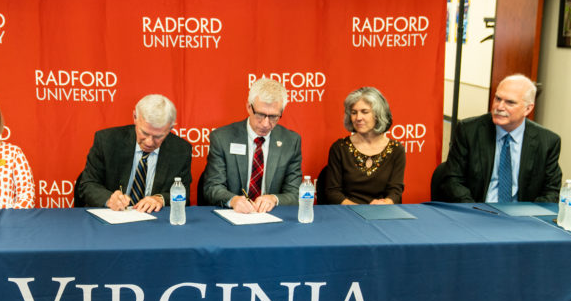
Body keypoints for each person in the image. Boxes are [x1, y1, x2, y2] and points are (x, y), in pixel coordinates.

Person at [441, 74, 562, 203]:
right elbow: (452, 180)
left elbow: (551, 191)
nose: (499, 107)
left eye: (510, 102)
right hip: (477, 211)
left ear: (528, 108)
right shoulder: (469, 131)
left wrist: (528, 217)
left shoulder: (547, 141)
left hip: (521, 218)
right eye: (498, 99)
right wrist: (475, 211)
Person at [76, 94, 192, 212]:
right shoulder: (107, 141)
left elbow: (185, 194)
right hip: (113, 218)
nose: (149, 142)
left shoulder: (181, 150)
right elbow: (87, 185)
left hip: (155, 221)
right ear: (135, 117)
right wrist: (109, 199)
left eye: (158, 136)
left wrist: (161, 199)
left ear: (170, 128)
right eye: (144, 133)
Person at [202, 78, 302, 212]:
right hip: (234, 217)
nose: (266, 124)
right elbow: (212, 187)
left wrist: (274, 198)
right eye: (260, 115)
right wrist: (233, 200)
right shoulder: (222, 138)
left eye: (273, 116)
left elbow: (294, 193)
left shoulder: (291, 141)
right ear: (249, 107)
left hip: (272, 218)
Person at [325, 86, 405, 205]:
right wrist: (362, 211)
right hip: (347, 214)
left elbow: (395, 191)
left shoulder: (396, 149)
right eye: (353, 113)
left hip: (381, 214)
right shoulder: (340, 148)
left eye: (365, 112)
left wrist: (386, 203)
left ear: (378, 115)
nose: (358, 118)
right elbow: (332, 192)